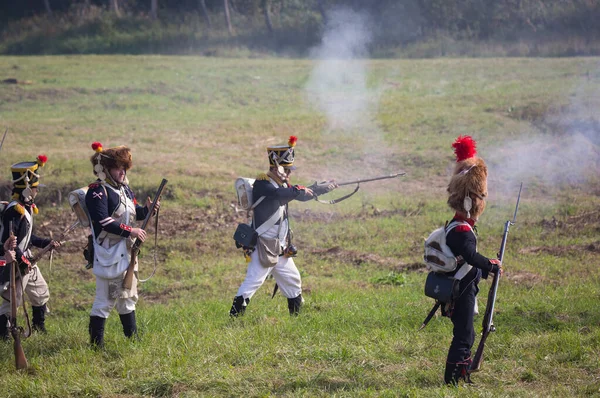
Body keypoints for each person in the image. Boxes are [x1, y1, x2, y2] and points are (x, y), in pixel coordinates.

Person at [229, 136, 337, 317]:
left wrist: (323, 188)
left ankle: (296, 320)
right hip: (263, 246)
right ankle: (233, 320)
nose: (288, 173)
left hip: (279, 247)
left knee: (293, 281)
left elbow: (300, 194)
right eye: (285, 169)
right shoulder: (262, 184)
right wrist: (298, 190)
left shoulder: (284, 185)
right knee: (252, 283)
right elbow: (280, 194)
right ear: (275, 168)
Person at [85, 142, 159, 347]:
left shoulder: (125, 190)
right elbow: (103, 221)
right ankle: (95, 346)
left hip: (125, 253)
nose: (122, 171)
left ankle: (132, 341)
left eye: (124, 167)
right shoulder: (97, 191)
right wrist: (131, 231)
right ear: (105, 169)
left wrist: (148, 209)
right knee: (104, 302)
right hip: (109, 252)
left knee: (127, 297)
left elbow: (135, 213)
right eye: (118, 167)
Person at [442, 135, 503, 385]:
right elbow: (469, 255)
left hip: (462, 287)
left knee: (466, 333)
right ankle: (454, 379)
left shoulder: (459, 226)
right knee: (464, 335)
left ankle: (462, 374)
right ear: (472, 202)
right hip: (462, 290)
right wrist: (490, 265)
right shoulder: (461, 230)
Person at [0, 155, 61, 336]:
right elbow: (9, 243)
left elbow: (27, 237)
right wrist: (24, 260)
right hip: (17, 262)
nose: (36, 192)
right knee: (13, 301)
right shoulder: (14, 211)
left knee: (40, 293)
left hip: (25, 259)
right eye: (34, 189)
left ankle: (38, 328)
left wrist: (46, 243)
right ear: (27, 189)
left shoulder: (25, 207)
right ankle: (3, 335)